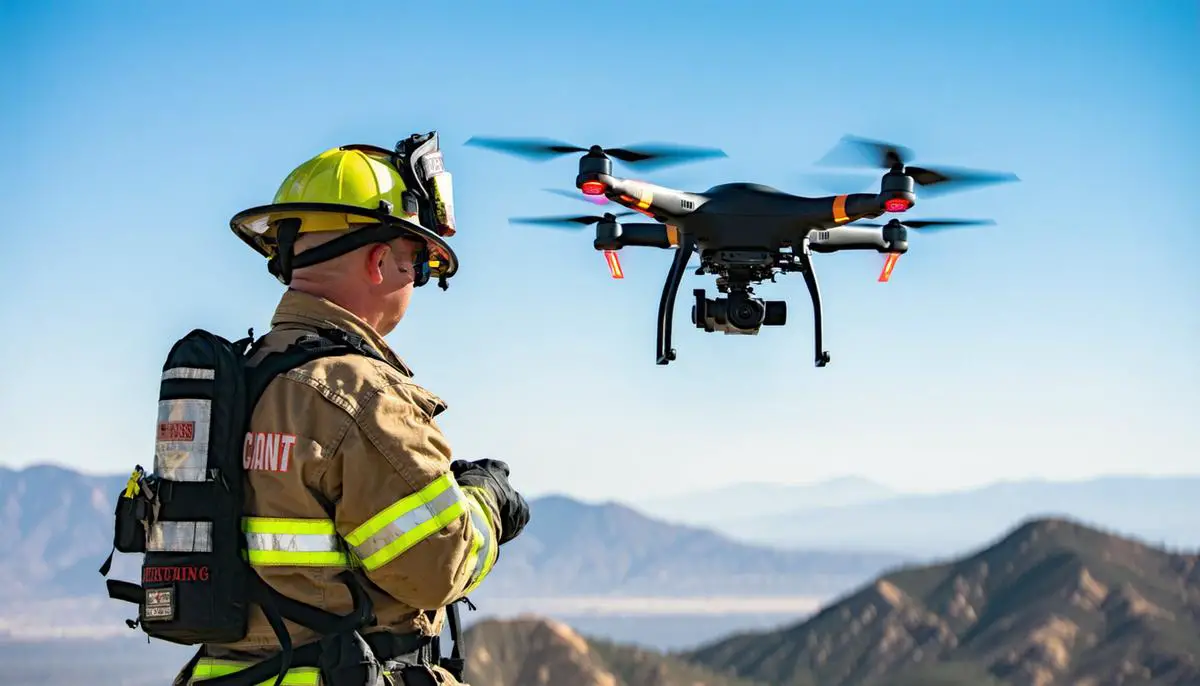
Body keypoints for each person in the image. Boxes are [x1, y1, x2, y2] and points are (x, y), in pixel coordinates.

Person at [175, 135, 531, 685]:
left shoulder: (245, 379)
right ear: (378, 259)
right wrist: (487, 502)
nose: (416, 280)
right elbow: (437, 566)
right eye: (416, 263)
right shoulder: (358, 395)